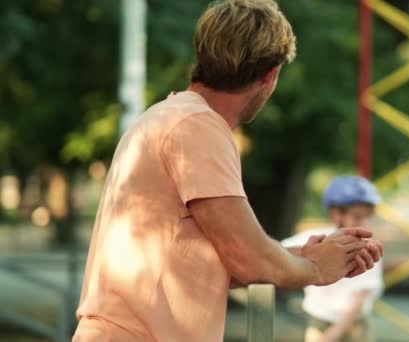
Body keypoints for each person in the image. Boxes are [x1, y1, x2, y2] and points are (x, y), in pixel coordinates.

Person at [72, 1, 383, 341]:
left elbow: (214, 261)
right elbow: (250, 261)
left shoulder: (167, 117)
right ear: (270, 74)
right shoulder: (198, 126)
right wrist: (316, 268)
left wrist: (301, 255)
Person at [282, 176, 384, 342]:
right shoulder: (316, 238)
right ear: (336, 214)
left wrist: (332, 335)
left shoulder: (367, 248)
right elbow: (275, 252)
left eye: (368, 217)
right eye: (358, 217)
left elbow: (360, 299)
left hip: (354, 325)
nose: (365, 223)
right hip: (318, 320)